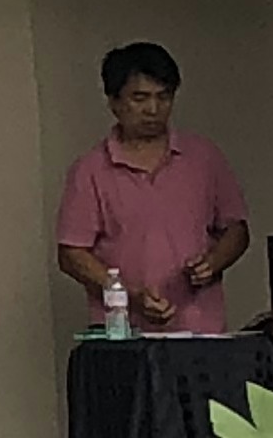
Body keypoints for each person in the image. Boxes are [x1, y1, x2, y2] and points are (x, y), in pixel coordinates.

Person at [58, 43, 256, 337]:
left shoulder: (203, 157)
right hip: (124, 336)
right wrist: (128, 295)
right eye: (140, 98)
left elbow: (237, 230)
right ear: (113, 102)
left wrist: (213, 262)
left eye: (163, 97)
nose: (153, 109)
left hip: (203, 332)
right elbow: (72, 253)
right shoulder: (90, 170)